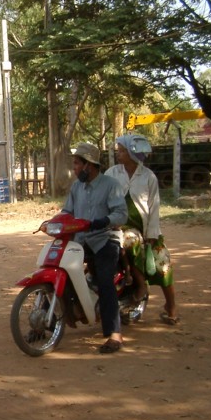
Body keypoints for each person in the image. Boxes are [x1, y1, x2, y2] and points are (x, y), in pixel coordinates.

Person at [61, 143, 128, 354]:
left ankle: (114, 334)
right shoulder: (76, 187)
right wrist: (54, 222)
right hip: (81, 241)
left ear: (89, 165)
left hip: (104, 238)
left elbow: (121, 214)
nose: (74, 168)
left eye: (77, 163)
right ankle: (45, 325)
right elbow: (67, 212)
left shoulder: (111, 185)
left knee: (104, 278)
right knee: (60, 272)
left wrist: (102, 221)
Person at [106, 134, 179, 325]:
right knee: (127, 242)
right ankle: (139, 285)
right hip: (121, 228)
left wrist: (152, 235)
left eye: (122, 150)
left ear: (132, 153)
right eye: (119, 150)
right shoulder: (112, 173)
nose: (118, 153)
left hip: (146, 229)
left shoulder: (148, 177)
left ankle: (171, 307)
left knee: (162, 265)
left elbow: (154, 207)